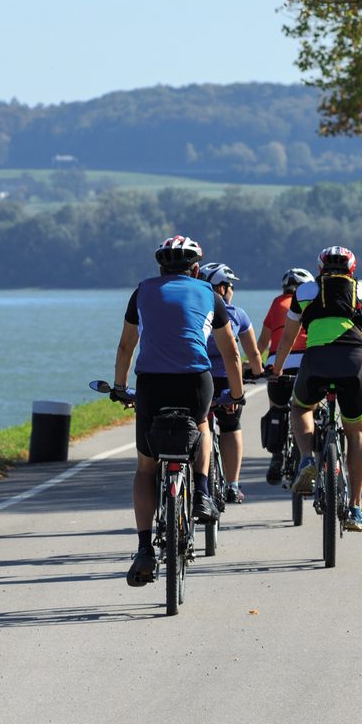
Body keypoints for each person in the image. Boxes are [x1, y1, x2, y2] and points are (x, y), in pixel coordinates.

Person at [112, 234, 247, 586]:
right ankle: (201, 492)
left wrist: (118, 387)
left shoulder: (142, 291)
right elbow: (231, 352)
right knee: (201, 423)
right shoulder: (209, 294)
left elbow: (127, 344)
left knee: (145, 468)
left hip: (152, 384)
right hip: (194, 381)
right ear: (197, 268)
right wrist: (236, 391)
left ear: (159, 266)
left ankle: (144, 547)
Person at [267, 246, 362, 531]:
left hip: (317, 363)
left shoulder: (305, 292)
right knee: (356, 432)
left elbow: (287, 339)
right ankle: (356, 508)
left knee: (300, 407)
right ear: (352, 270)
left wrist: (277, 370)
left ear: (320, 269)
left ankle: (308, 458)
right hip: (353, 363)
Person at [199, 262, 266, 504]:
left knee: (199, 425)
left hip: (199, 377)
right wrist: (257, 371)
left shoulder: (195, 312)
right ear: (222, 288)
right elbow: (253, 353)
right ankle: (232, 484)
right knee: (231, 426)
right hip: (227, 379)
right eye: (230, 285)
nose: (232, 291)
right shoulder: (237, 314)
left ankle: (201, 483)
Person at [256, 267, 313, 484]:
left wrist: (252, 366)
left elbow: (262, 343)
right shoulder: (310, 302)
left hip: (277, 364)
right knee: (308, 407)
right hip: (306, 362)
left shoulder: (276, 303)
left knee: (277, 408)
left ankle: (276, 457)